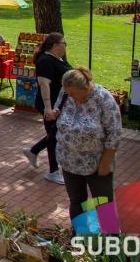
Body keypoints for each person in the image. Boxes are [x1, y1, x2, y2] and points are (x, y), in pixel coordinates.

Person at [52, 68, 122, 223]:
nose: (70, 97)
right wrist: (54, 114)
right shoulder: (66, 93)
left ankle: (110, 242)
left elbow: (115, 132)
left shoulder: (103, 99)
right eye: (67, 93)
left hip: (96, 164)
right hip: (69, 162)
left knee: (104, 204)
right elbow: (59, 110)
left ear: (85, 88)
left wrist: (106, 161)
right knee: (77, 202)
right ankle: (79, 238)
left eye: (73, 94)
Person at [22, 32, 71, 184]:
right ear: (55, 45)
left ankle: (33, 151)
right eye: (64, 43)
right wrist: (48, 108)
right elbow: (44, 84)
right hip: (50, 105)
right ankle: (53, 171)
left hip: (59, 105)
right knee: (54, 136)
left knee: (54, 134)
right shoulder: (45, 61)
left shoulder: (58, 58)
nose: (65, 46)